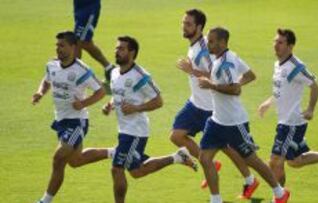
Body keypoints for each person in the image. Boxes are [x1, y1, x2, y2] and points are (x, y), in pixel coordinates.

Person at [170, 9, 259, 198]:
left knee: (229, 148)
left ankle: (250, 180)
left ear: (199, 27)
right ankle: (212, 165)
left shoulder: (205, 50)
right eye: (183, 23)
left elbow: (217, 78)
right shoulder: (194, 45)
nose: (183, 27)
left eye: (188, 24)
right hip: (196, 103)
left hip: (211, 107)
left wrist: (192, 70)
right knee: (177, 135)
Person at [198, 27, 290, 203]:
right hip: (217, 121)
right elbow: (250, 75)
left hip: (234, 123)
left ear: (223, 42)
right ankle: (215, 200)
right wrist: (235, 84)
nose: (208, 44)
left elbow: (234, 90)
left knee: (251, 160)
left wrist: (212, 86)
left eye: (212, 41)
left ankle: (280, 193)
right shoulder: (230, 56)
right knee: (205, 158)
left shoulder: (226, 63)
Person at [102, 36, 197, 203]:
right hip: (124, 129)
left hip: (135, 130)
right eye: (116, 48)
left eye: (121, 49)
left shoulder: (140, 75)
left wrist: (136, 108)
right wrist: (110, 104)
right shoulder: (115, 72)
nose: (116, 51)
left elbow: (158, 101)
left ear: (132, 53)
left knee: (117, 169)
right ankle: (177, 157)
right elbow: (120, 94)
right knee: (136, 171)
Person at [257, 28, 318, 187]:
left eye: (280, 42)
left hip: (291, 123)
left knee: (275, 161)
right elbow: (281, 90)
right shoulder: (278, 65)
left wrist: (310, 109)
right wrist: (269, 102)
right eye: (275, 41)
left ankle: (279, 197)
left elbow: (315, 86)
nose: (276, 45)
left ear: (290, 46)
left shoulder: (296, 66)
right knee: (294, 161)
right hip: (285, 121)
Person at [32, 31, 113, 203]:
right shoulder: (52, 65)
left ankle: (45, 201)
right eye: (57, 45)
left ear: (73, 47)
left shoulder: (82, 70)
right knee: (76, 161)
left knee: (58, 157)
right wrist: (40, 92)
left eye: (62, 45)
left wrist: (83, 104)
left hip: (77, 121)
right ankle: (113, 152)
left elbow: (101, 91)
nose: (58, 49)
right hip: (60, 120)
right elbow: (47, 80)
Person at [73, 0, 115, 84]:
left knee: (79, 41)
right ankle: (110, 68)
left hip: (89, 7)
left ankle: (73, 73)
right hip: (79, 5)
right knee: (86, 42)